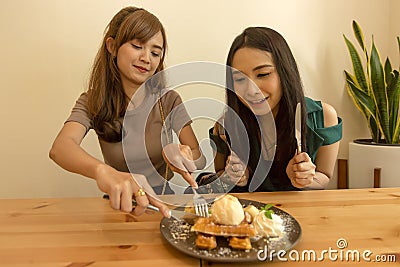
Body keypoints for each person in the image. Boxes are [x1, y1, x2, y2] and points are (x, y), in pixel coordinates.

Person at [49, 6, 205, 217]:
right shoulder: (91, 101)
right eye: (137, 46)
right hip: (118, 205)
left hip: (163, 206)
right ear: (112, 46)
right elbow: (61, 148)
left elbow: (199, 157)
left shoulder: (168, 100)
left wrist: (185, 155)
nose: (146, 58)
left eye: (155, 52)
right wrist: (103, 171)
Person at [209, 27, 342, 192]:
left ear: (285, 72)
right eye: (240, 79)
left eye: (263, 74)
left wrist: (306, 179)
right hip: (249, 214)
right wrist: (233, 177)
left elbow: (325, 176)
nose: (251, 90)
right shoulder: (225, 125)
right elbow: (220, 175)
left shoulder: (322, 117)